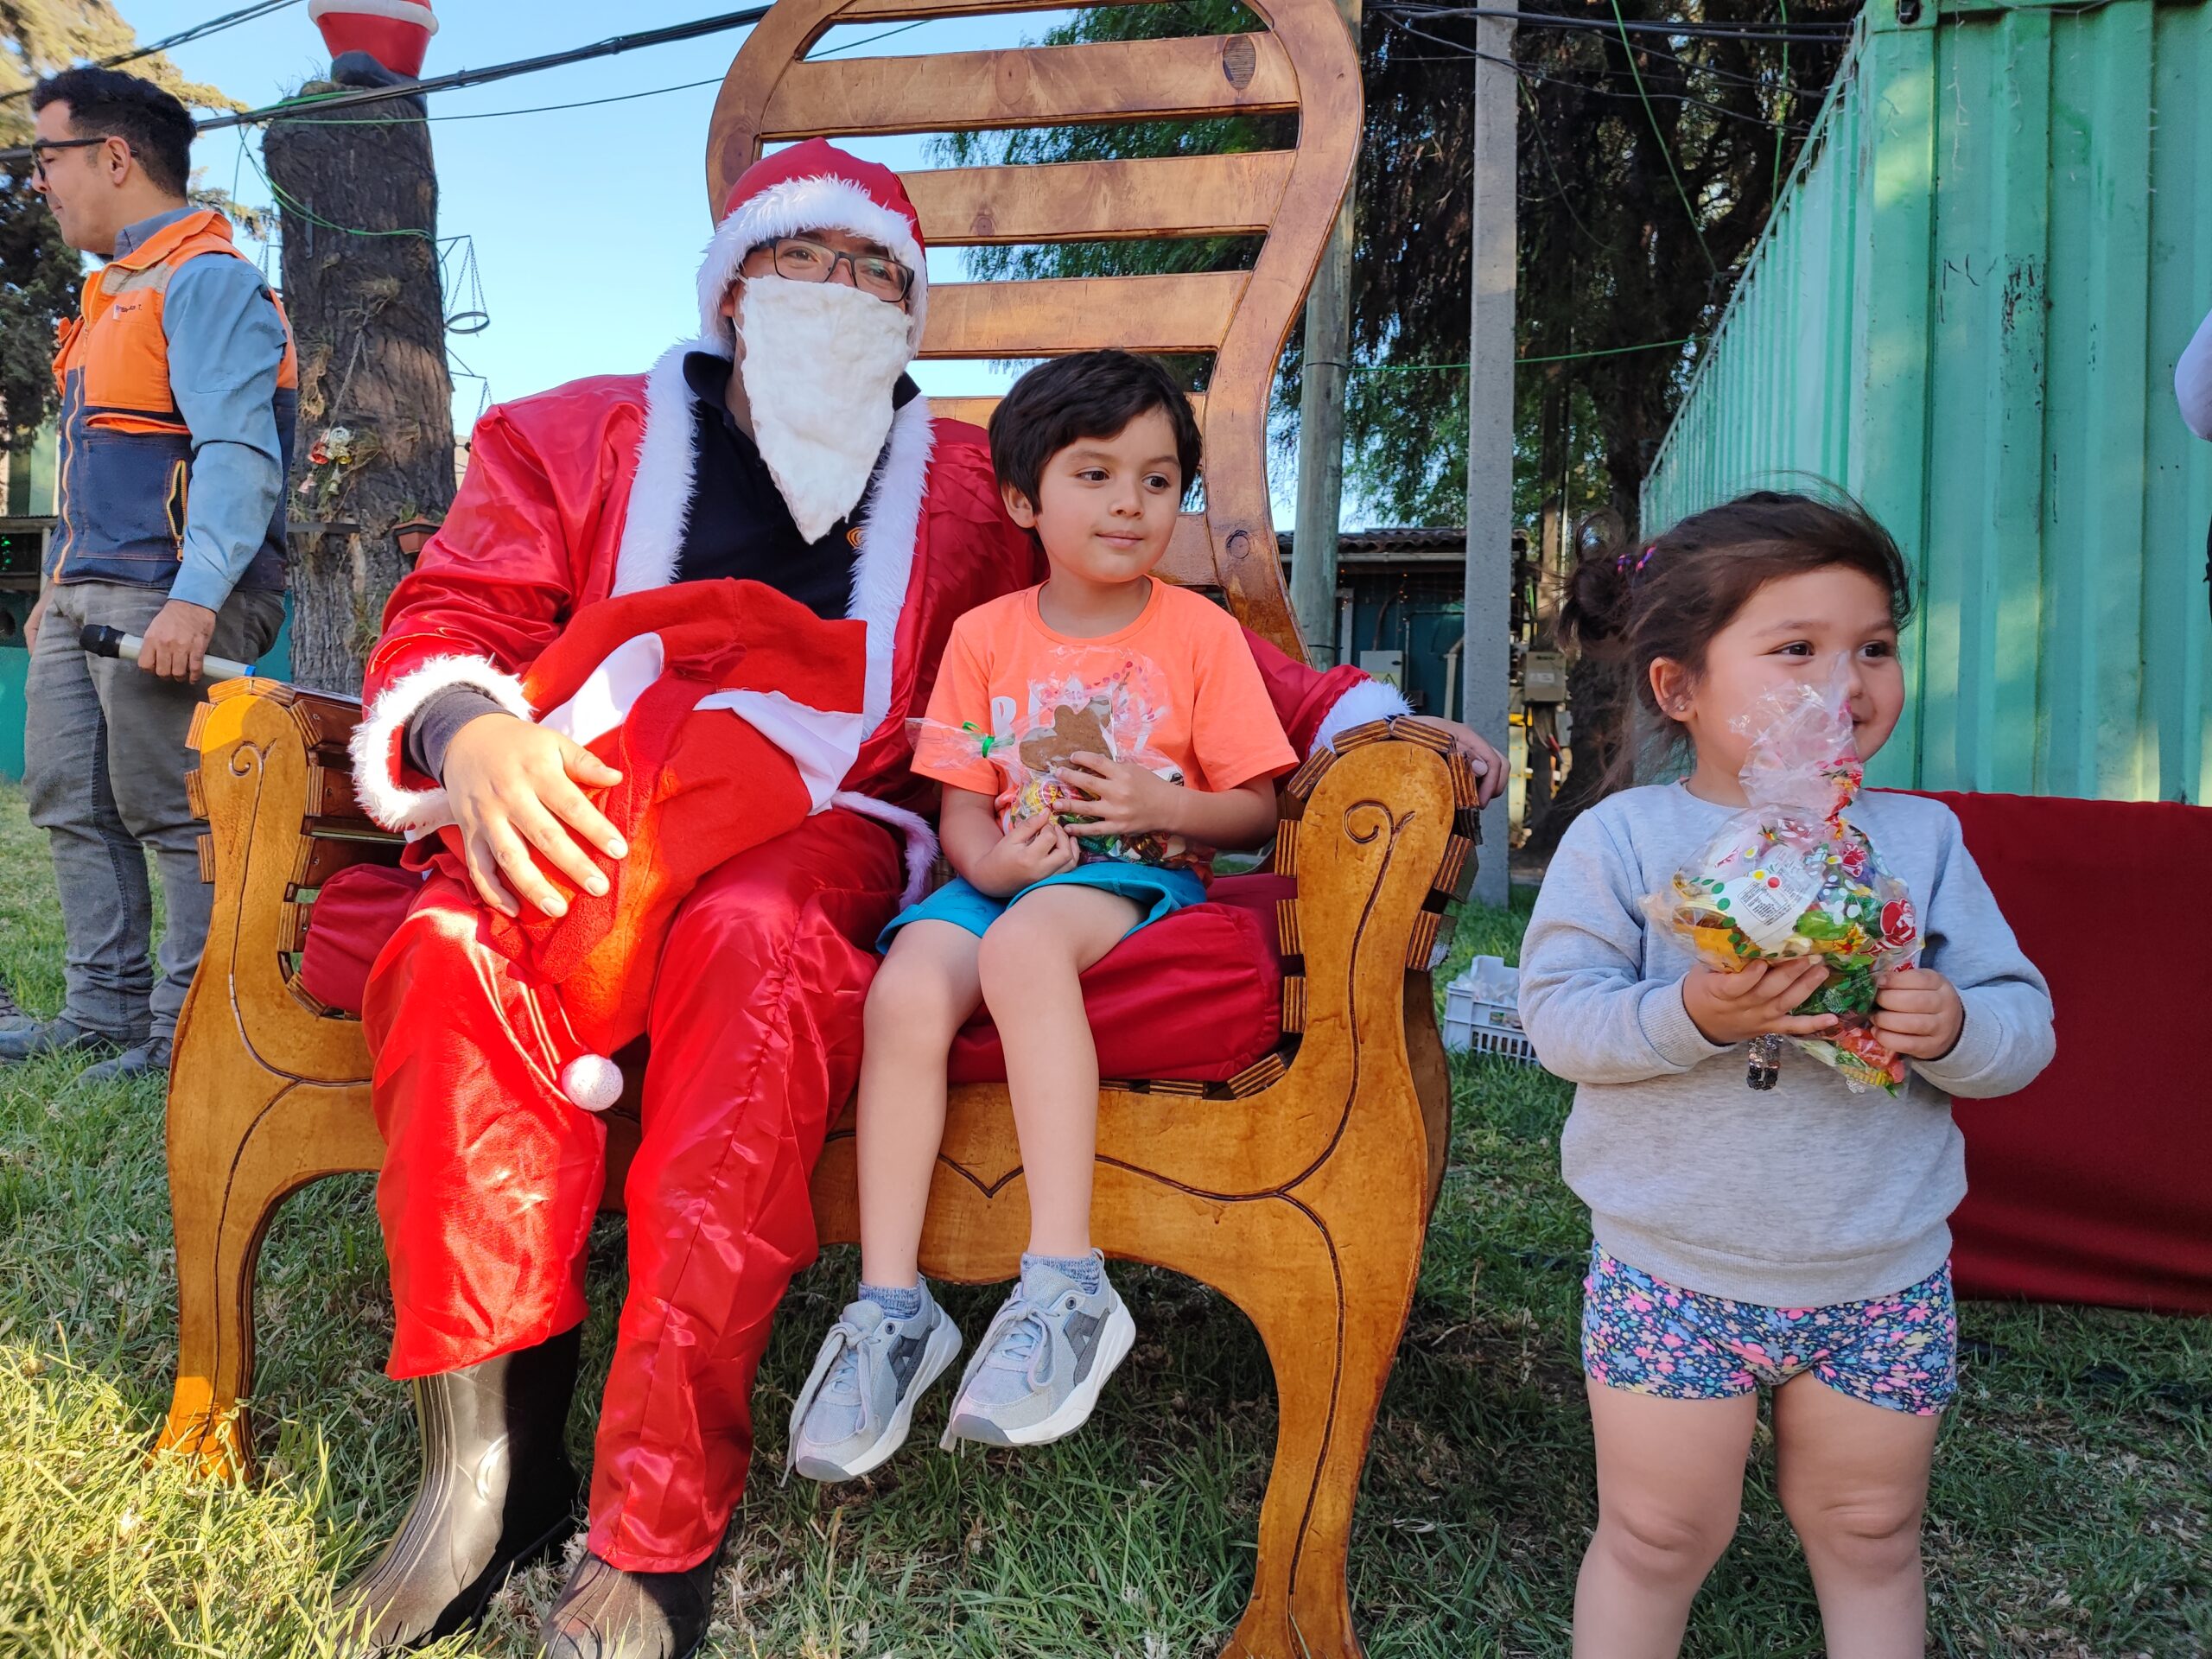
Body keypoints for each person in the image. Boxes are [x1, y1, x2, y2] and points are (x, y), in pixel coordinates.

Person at [335, 141, 1505, 1659]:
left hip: (822, 825)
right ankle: (488, 1473)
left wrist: (1367, 721)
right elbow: (453, 614)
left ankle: (657, 1521)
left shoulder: (969, 483)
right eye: (801, 258)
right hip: (586, 780)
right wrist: (464, 728)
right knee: (447, 948)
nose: (839, 290)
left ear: (912, 314)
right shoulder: (568, 435)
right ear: (731, 286)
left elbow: (1149, 625)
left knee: (758, 954)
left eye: (877, 271)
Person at [1516, 492, 2055, 1659]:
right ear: (1679, 687)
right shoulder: (1627, 841)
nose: (1846, 683)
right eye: (1797, 649)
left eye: (1875, 647)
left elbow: (2024, 1025)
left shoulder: (1920, 842)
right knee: (1657, 1533)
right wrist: (1693, 1012)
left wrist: (1953, 1022)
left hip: (1880, 1273)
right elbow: (1559, 1019)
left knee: (1871, 1529)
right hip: (1672, 1272)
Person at [784, 353, 1297, 1478]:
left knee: (1022, 947)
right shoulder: (985, 636)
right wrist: (996, 863)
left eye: (1157, 480)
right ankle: (891, 1308)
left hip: (1132, 881)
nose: (1130, 503)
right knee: (908, 986)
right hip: (1006, 875)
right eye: (1095, 474)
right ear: (1024, 502)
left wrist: (1166, 805)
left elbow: (1254, 809)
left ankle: (1067, 1283)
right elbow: (962, 814)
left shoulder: (1197, 634)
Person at [9, 69, 293, 1081]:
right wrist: (53, 586)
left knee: (173, 812)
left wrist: (195, 599)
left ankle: (186, 1028)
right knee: (69, 802)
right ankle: (104, 1012)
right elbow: (92, 464)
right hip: (86, 593)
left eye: (46, 158)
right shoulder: (108, 297)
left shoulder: (207, 280)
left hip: (167, 596)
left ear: (114, 156)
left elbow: (238, 454)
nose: (39, 182)